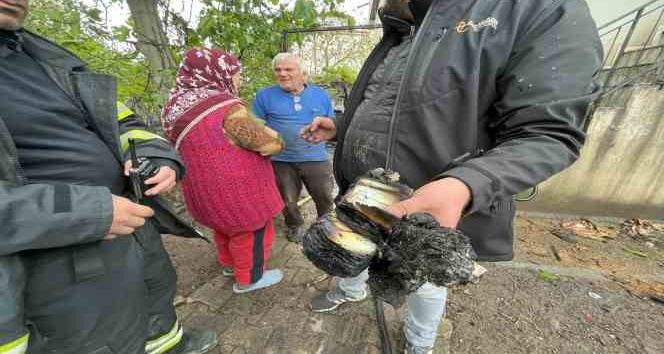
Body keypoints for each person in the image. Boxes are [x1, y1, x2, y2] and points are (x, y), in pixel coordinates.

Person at [300, 0, 603, 353]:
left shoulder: (538, 7)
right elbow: (384, 105)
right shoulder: (403, 27)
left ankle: (419, 342)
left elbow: (549, 134)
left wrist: (466, 184)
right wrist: (339, 126)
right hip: (363, 194)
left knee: (424, 281)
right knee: (352, 252)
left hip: (426, 208)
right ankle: (350, 290)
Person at [0, 1, 217, 353]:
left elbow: (120, 121)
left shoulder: (40, 55)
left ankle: (169, 344)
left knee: (152, 296)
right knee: (101, 336)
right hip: (54, 257)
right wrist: (86, 212)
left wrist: (156, 156)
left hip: (128, 221)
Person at [161, 47, 286, 293]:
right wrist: (279, 140)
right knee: (253, 232)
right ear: (218, 73)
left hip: (201, 190)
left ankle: (230, 265)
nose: (238, 79)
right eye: (236, 73)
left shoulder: (173, 105)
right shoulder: (225, 107)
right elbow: (266, 143)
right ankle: (249, 279)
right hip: (236, 192)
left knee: (223, 229)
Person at [251, 53, 336, 243]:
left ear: (303, 74)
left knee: (324, 195)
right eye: (278, 70)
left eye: (288, 69)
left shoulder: (320, 94)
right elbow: (255, 126)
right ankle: (294, 224)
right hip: (280, 160)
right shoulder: (264, 96)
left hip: (315, 157)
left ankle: (325, 226)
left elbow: (332, 123)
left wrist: (326, 125)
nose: (282, 73)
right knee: (287, 200)